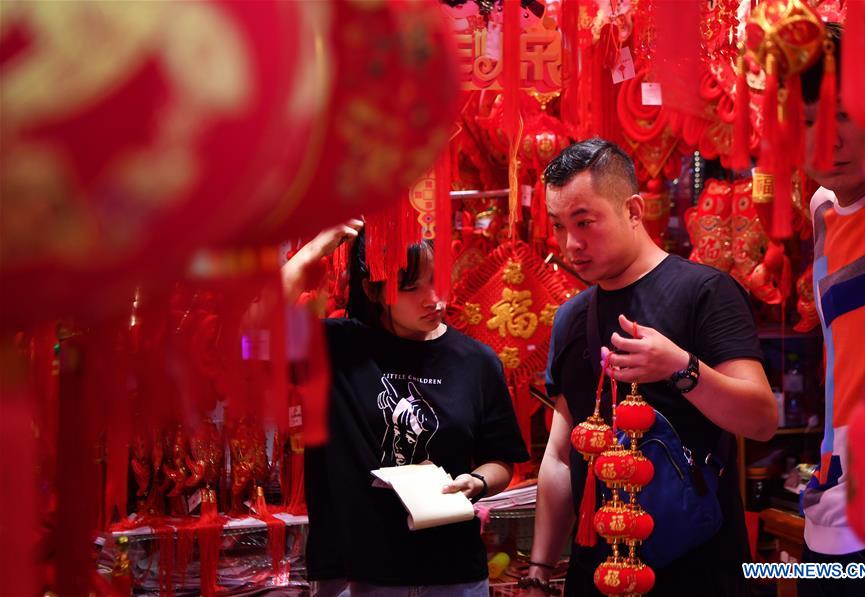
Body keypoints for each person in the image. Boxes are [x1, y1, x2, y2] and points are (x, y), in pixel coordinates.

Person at [524, 139, 777, 596]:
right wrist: (540, 568)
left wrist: (679, 366)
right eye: (559, 225)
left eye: (585, 222)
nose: (570, 244)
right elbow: (560, 457)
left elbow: (761, 419)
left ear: (634, 211)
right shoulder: (571, 318)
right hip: (597, 572)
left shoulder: (705, 292)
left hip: (697, 570)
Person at [282, 220, 529, 596]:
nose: (434, 298)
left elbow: (500, 460)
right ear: (373, 289)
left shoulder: (476, 361)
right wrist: (318, 247)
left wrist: (476, 482)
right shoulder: (335, 347)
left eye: (437, 280)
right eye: (412, 287)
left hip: (453, 573)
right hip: (356, 574)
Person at [798, 23, 865, 597]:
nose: (827, 140)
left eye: (843, 115)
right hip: (832, 509)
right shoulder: (822, 209)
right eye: (807, 121)